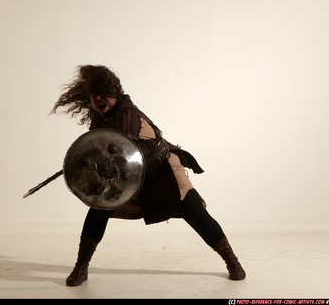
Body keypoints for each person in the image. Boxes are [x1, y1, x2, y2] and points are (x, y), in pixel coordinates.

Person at [51, 65, 246, 286]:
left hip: (162, 169)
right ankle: (81, 268)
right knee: (98, 209)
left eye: (104, 94)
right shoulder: (100, 119)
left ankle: (232, 261)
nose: (98, 99)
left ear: (114, 94)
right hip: (130, 176)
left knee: (195, 212)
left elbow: (123, 149)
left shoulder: (126, 115)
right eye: (94, 95)